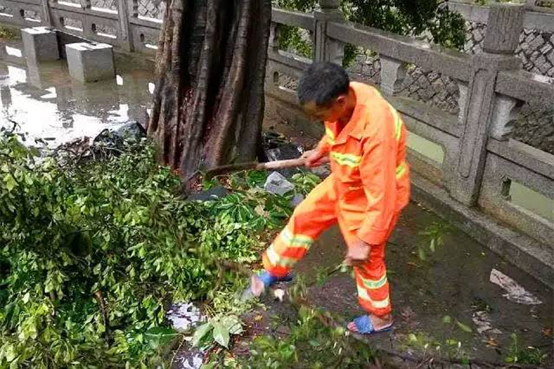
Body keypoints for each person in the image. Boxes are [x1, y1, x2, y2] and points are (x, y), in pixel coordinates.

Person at [250, 62, 410, 335]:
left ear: (339, 101)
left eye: (320, 116)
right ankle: (277, 268)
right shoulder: (348, 97)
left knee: (367, 258)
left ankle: (381, 317)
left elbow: (382, 196)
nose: (318, 121)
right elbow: (337, 134)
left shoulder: (376, 130)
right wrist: (320, 150)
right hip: (345, 180)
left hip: (374, 197)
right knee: (304, 216)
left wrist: (365, 240)